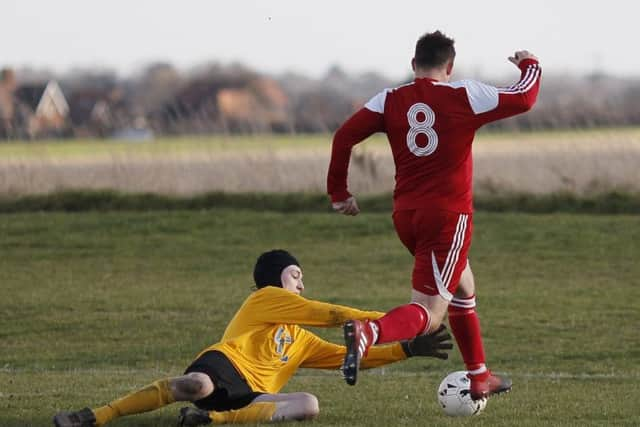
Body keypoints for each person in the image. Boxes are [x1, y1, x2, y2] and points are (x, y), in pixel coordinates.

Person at [327, 30, 541, 399]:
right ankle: (369, 333)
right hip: (447, 218)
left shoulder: (390, 99)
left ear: (413, 65)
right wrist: (530, 64)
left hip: (406, 216)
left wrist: (339, 193)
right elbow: (524, 98)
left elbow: (343, 136)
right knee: (429, 311)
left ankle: (479, 376)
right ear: (450, 66)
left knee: (463, 284)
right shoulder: (464, 94)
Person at [53, 249, 452, 427]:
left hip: (252, 396)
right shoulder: (266, 299)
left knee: (308, 404)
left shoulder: (301, 341)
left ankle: (210, 419)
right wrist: (399, 321)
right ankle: (98, 415)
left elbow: (353, 356)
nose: (301, 282)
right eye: (295, 275)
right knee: (194, 384)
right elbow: (330, 315)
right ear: (277, 278)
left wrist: (405, 348)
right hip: (226, 366)